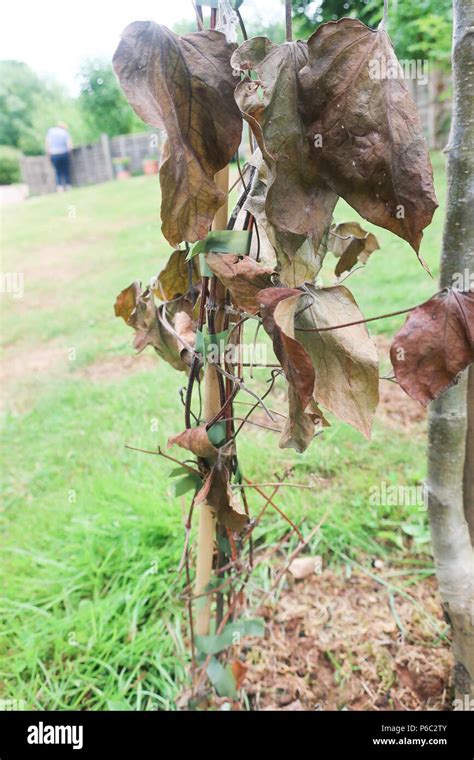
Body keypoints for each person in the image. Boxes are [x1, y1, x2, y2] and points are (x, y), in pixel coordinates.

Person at [45, 122, 73, 191]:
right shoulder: (65, 133)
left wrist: (48, 154)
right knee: (66, 170)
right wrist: (69, 153)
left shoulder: (51, 132)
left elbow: (47, 144)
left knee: (57, 171)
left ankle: (59, 187)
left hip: (54, 154)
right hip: (64, 153)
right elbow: (69, 145)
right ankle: (68, 186)